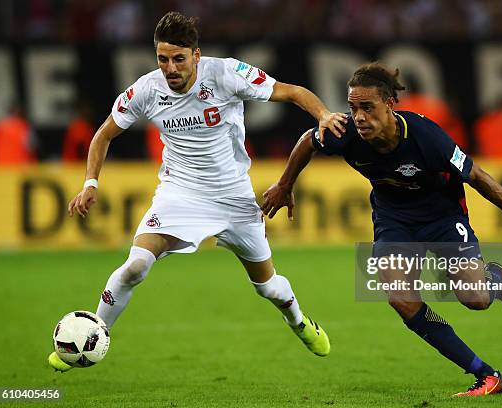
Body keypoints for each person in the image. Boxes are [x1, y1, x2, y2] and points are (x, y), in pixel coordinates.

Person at [48, 11, 347, 372]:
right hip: (181, 193)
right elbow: (103, 134)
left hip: (234, 197)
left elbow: (294, 92)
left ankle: (299, 323)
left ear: (196, 56)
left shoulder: (226, 74)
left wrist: (324, 115)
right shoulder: (146, 89)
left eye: (178, 59)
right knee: (136, 265)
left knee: (267, 287)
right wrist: (90, 183)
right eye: (162, 59)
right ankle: (92, 337)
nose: (170, 68)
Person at [261, 62, 502, 397]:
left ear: (389, 105)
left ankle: (496, 280)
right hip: (394, 219)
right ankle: (486, 375)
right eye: (353, 107)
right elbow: (308, 142)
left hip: (443, 218)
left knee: (475, 299)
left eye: (367, 108)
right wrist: (284, 185)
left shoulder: (426, 137)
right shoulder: (345, 133)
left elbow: (476, 176)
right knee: (401, 298)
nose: (358, 117)